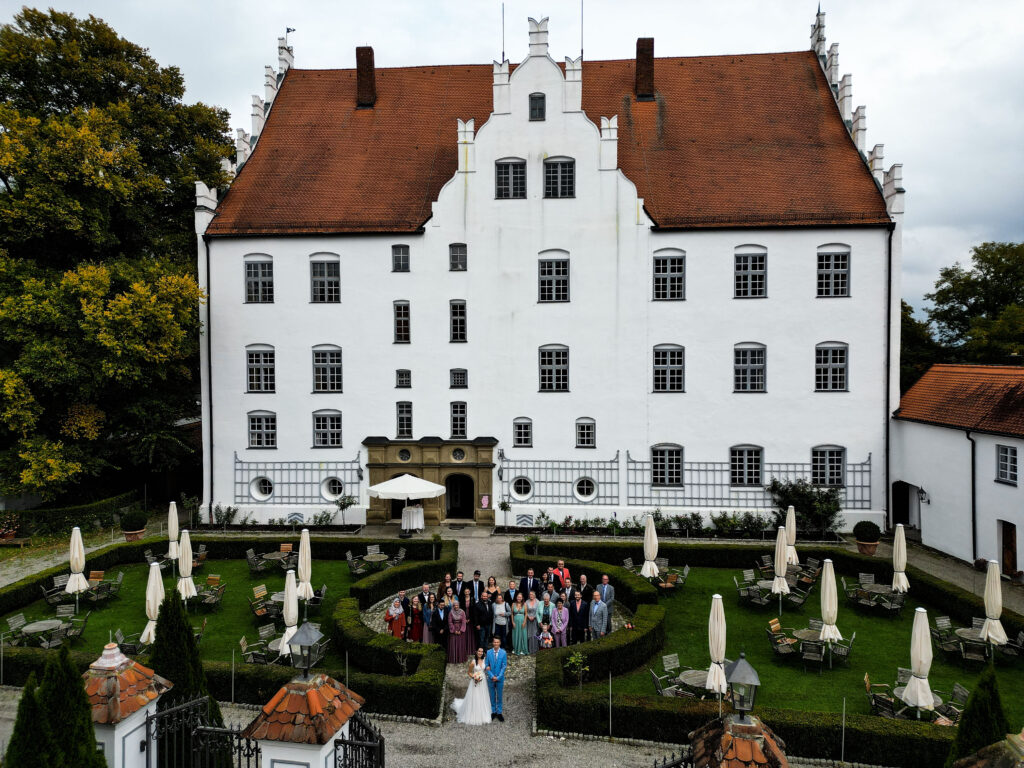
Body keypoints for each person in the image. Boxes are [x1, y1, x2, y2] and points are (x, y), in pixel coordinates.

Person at [451, 647, 493, 725]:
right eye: (479, 651)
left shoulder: (485, 660)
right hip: (475, 682)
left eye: (482, 651)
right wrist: (474, 677)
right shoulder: (473, 662)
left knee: (482, 696)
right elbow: (469, 672)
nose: (480, 653)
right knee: (475, 697)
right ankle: (473, 713)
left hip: (483, 682)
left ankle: (483, 712)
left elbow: (487, 668)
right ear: (476, 652)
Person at [485, 635, 508, 722]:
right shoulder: (488, 652)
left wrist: (498, 677)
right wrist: (491, 676)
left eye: (497, 642)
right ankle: (493, 711)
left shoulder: (503, 653)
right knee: (492, 695)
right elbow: (487, 665)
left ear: (500, 643)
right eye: (494, 642)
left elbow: (504, 666)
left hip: (500, 678)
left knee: (499, 696)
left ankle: (499, 712)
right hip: (491, 678)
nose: (496, 643)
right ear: (492, 643)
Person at [447, 598, 469, 664]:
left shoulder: (462, 612)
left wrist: (461, 630)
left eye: (457, 605)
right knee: (453, 643)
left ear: (459, 605)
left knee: (461, 644)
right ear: (453, 606)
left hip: (460, 629)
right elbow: (450, 622)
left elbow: (464, 622)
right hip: (453, 629)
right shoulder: (450, 612)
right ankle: (454, 659)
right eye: (454, 605)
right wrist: (454, 630)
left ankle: (461, 658)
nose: (456, 606)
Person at [457, 595, 477, 660]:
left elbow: (474, 609)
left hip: (471, 618)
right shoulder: (462, 599)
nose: (467, 593)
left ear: (470, 592)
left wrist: (470, 619)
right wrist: (464, 619)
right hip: (463, 617)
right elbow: (460, 609)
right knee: (464, 632)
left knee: (470, 633)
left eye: (468, 591)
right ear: (464, 593)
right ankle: (464, 649)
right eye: (465, 592)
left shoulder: (472, 599)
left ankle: (470, 649)